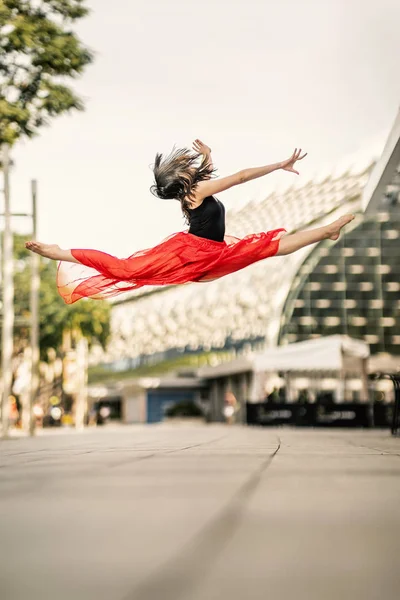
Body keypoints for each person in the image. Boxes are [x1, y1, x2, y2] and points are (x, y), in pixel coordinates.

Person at [25, 140, 354, 304]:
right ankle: (62, 252)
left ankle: (327, 231)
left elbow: (212, 177)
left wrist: (209, 156)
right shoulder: (196, 190)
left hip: (211, 252)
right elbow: (239, 178)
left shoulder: (192, 191)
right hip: (194, 252)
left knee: (266, 248)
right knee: (127, 270)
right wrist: (280, 164)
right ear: (183, 181)